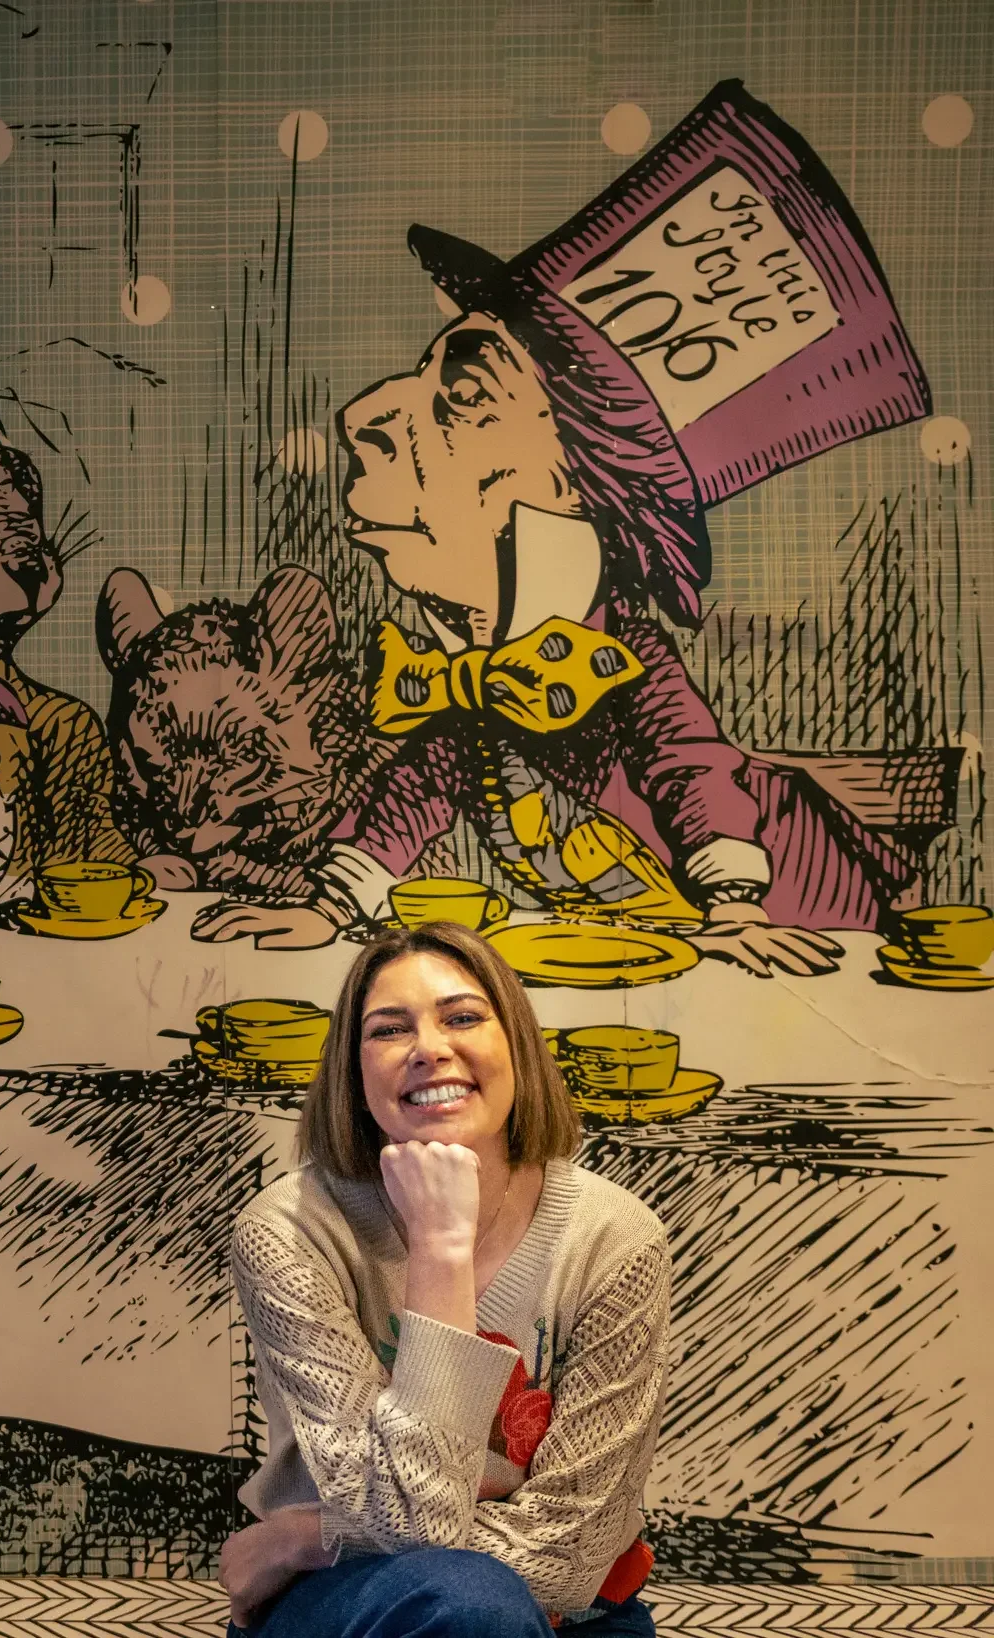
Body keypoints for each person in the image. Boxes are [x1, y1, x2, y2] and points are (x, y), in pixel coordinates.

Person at [195, 83, 932, 975]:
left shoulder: (617, 657)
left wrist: (736, 906)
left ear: (575, 487)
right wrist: (329, 904)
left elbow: (691, 766)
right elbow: (417, 788)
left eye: (463, 395)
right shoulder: (469, 679)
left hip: (805, 932)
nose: (366, 416)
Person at [222, 921, 667, 1636]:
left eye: (462, 1017)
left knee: (484, 1598)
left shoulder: (615, 1238)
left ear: (515, 1046)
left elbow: (577, 1552)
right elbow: (412, 1520)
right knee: (470, 1602)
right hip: (359, 1601)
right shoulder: (289, 1233)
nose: (430, 1048)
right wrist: (441, 1244)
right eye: (390, 1030)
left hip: (575, 1614)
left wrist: (306, 1536)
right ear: (353, 1069)